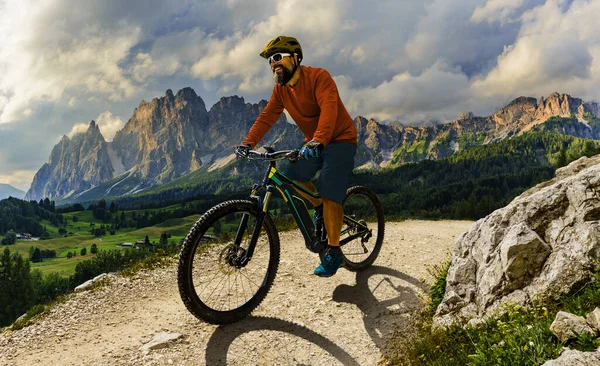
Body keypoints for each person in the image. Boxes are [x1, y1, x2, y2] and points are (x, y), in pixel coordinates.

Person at [236, 35, 357, 277]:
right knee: (288, 172)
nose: (273, 63)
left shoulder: (319, 77)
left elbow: (329, 109)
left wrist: (319, 139)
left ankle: (334, 251)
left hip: (340, 139)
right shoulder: (280, 90)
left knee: (330, 190)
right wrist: (248, 143)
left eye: (278, 57)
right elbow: (267, 116)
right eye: (270, 60)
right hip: (314, 141)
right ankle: (318, 206)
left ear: (295, 58)